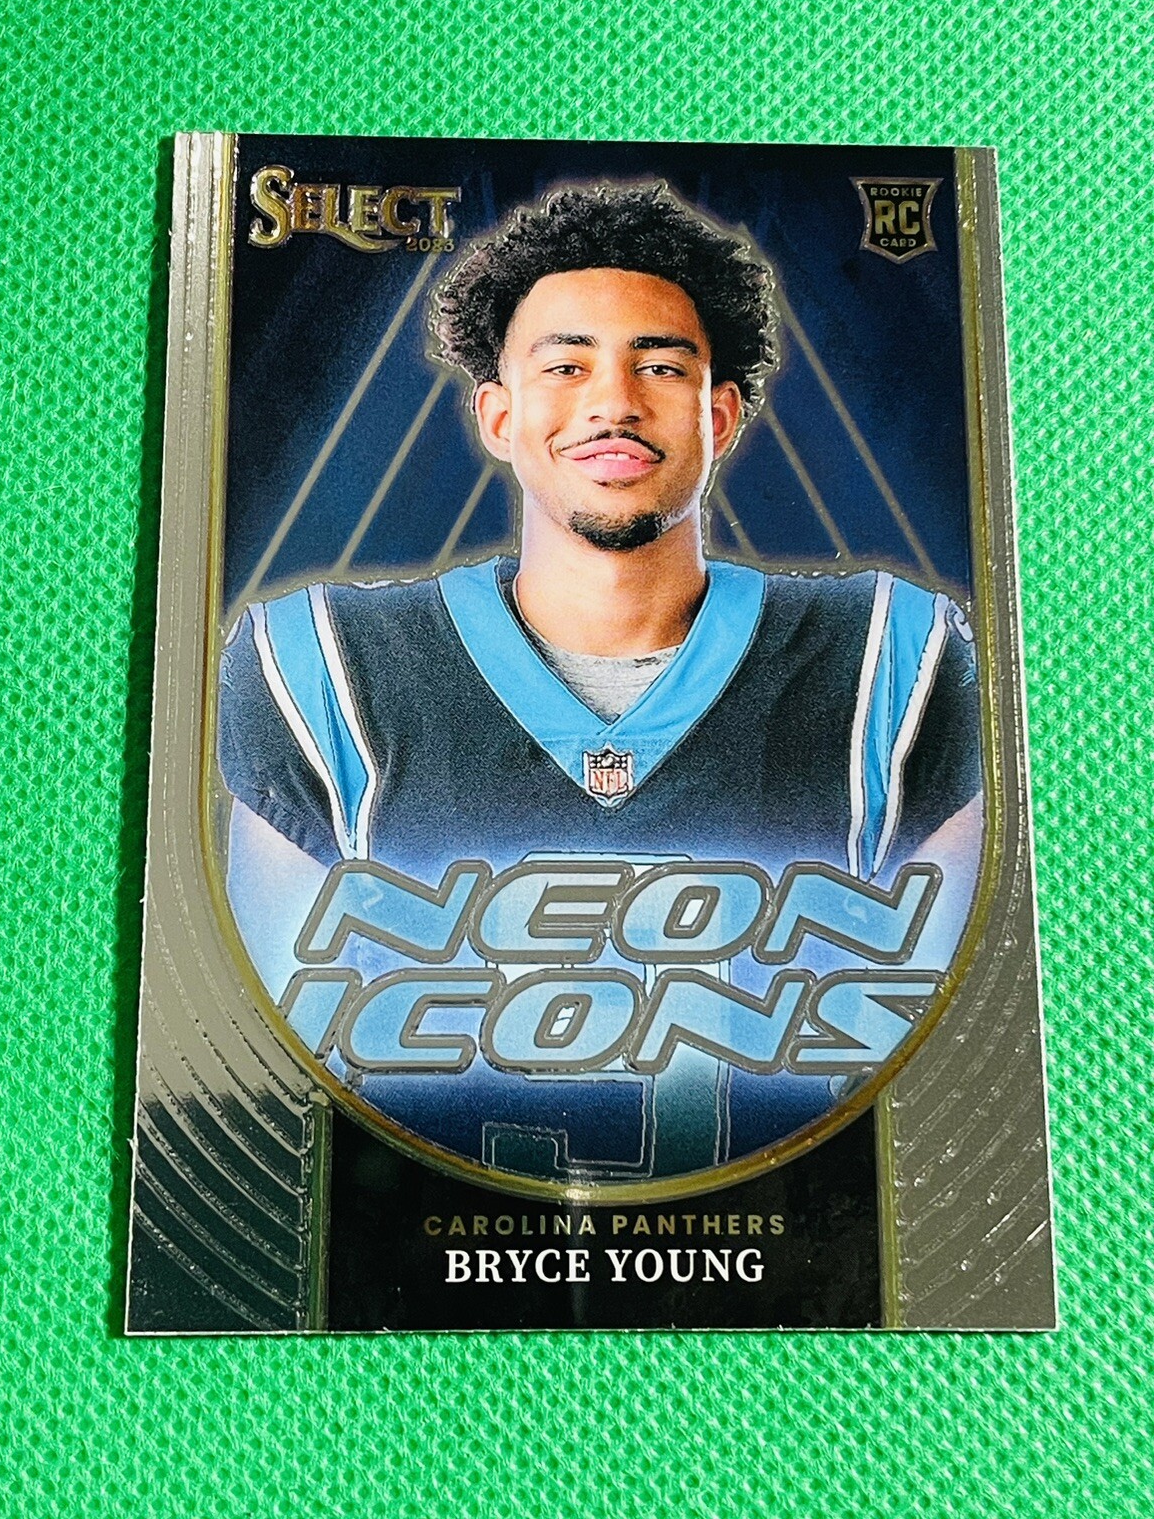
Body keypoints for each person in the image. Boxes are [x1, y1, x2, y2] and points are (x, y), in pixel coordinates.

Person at [217, 182, 983, 1180]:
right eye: (566, 365)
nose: (613, 403)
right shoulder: (317, 668)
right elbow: (267, 1083)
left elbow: (957, 1074)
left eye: (658, 366)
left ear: (720, 415)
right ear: (499, 414)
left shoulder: (898, 660)